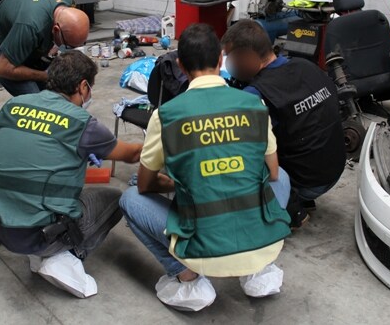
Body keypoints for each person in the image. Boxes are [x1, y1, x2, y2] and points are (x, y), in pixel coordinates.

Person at [119, 24, 291, 312]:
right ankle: (257, 268)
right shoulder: (254, 103)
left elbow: (147, 185)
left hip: (200, 246)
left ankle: (189, 278)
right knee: (281, 176)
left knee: (130, 197)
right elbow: (272, 172)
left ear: (181, 66)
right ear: (221, 61)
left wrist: (183, 183)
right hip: (259, 239)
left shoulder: (167, 115)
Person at [0, 50, 143, 298]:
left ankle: (41, 246)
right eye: (89, 87)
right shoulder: (82, 123)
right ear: (83, 87)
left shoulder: (12, 105)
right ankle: (66, 255)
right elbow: (132, 154)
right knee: (117, 199)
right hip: (39, 236)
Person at [220, 19, 346, 229]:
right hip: (334, 169)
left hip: (308, 181)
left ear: (248, 56)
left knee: (232, 155)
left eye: (230, 58)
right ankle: (301, 197)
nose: (228, 65)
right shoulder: (306, 66)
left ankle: (290, 208)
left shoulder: (256, 94)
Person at [0, 0, 90, 97]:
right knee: (36, 98)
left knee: (54, 90)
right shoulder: (30, 27)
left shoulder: (68, 0)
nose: (69, 49)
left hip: (20, 33)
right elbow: (2, 68)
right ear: (56, 30)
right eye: (68, 45)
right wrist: (44, 75)